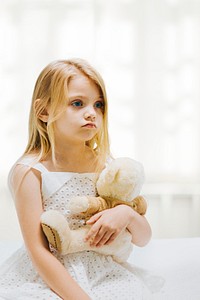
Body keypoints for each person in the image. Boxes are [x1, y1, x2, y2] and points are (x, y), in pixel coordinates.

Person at [0, 58, 162, 300]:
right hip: (50, 276)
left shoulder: (105, 165)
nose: (92, 114)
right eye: (77, 103)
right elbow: (38, 251)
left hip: (102, 271)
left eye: (98, 105)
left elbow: (143, 238)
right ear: (43, 111)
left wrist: (126, 214)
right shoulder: (30, 171)